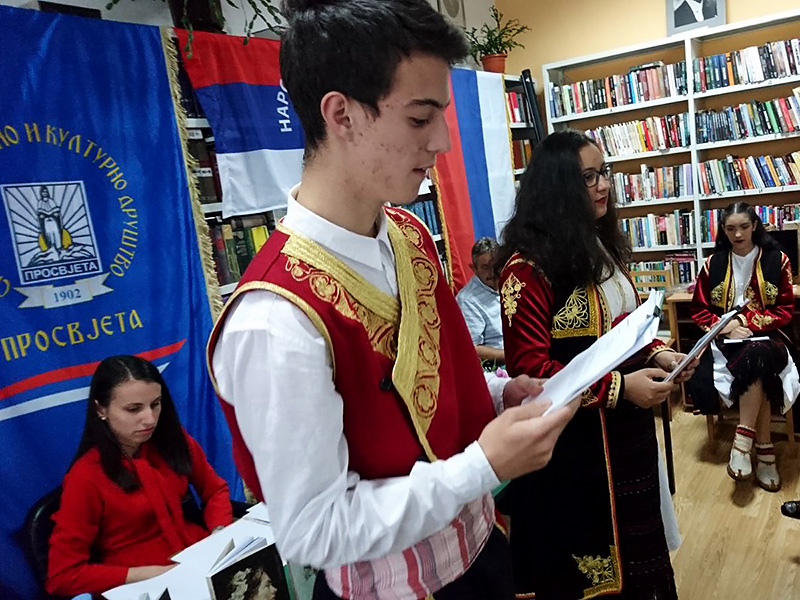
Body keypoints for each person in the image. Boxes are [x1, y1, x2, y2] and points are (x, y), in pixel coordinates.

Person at [207, 1, 578, 599]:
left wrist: (496, 395)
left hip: (481, 550)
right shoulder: (275, 319)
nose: (442, 142)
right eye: (419, 118)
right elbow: (314, 530)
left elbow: (428, 386)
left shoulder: (407, 234)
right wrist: (482, 467)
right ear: (342, 115)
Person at [496, 129, 695, 600]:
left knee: (639, 555)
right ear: (559, 187)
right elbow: (533, 375)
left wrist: (661, 353)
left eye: (603, 172)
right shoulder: (526, 270)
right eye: (588, 177)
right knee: (590, 573)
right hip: (575, 454)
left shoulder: (599, 247)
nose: (603, 185)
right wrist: (621, 389)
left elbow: (627, 328)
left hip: (627, 438)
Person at [46, 355, 233, 597]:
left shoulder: (172, 440)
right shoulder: (85, 477)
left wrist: (219, 532)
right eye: (133, 409)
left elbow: (215, 489)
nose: (150, 419)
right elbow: (62, 576)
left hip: (198, 559)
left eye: (155, 404)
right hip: (141, 584)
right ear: (101, 410)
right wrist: (150, 574)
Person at [688, 202, 799, 492]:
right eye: (730, 228)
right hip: (725, 338)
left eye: (744, 227)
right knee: (757, 365)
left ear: (755, 226)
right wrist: (725, 326)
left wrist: (747, 321)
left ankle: (742, 442)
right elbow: (699, 310)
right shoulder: (713, 263)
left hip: (768, 335)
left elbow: (785, 309)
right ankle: (764, 451)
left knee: (759, 357)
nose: (738, 234)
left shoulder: (777, 259)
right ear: (723, 231)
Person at [457, 237, 505, 365]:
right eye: (485, 267)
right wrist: (511, 355)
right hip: (499, 366)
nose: (492, 272)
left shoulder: (511, 282)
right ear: (474, 268)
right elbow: (472, 348)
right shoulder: (467, 300)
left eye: (495, 265)